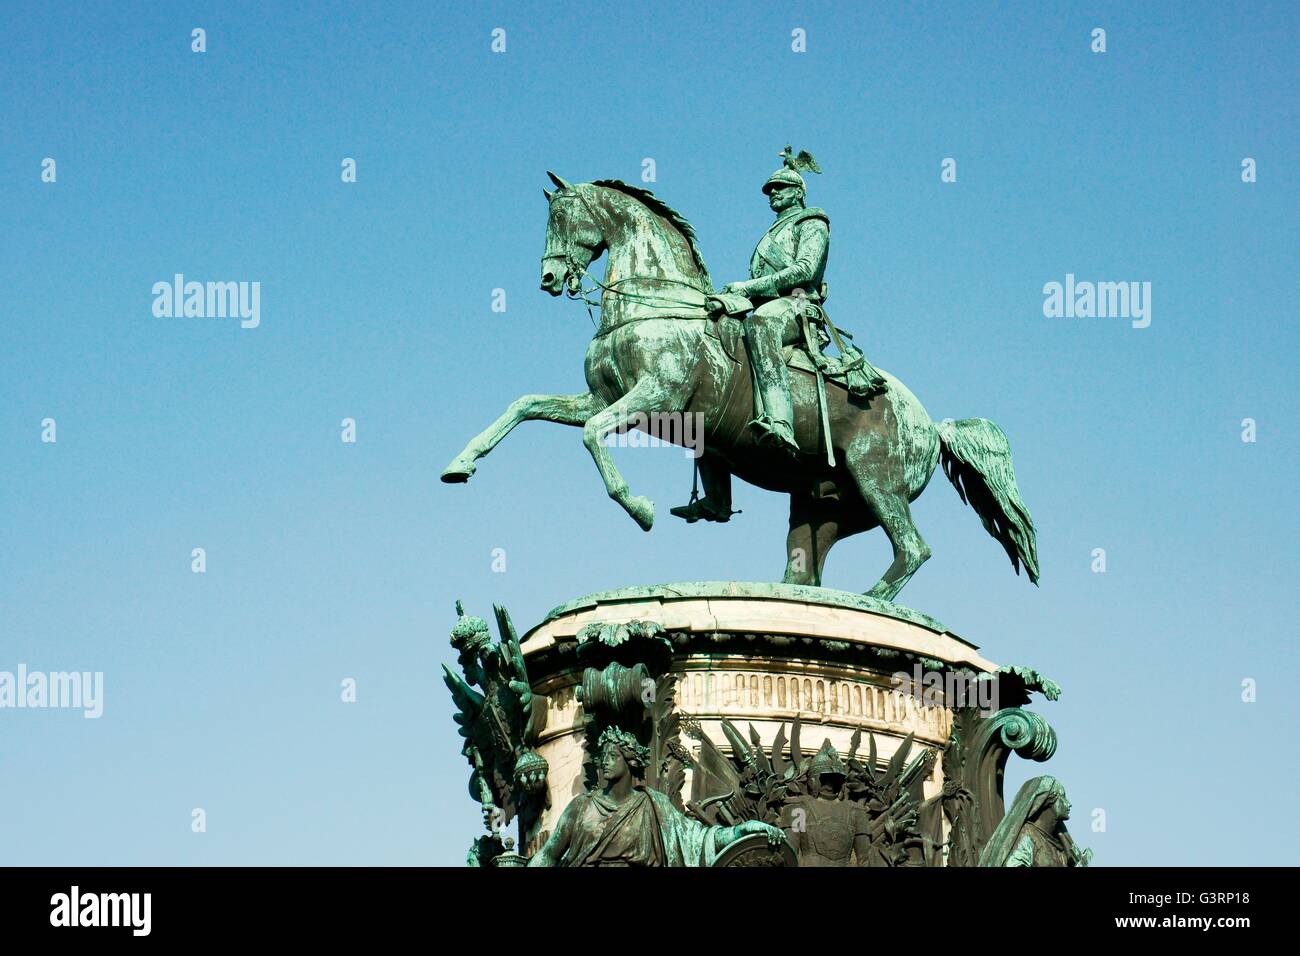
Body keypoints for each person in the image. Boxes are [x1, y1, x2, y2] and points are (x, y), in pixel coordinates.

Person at [528, 726, 786, 866]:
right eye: (603, 755)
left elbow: (701, 838)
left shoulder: (653, 805)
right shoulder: (581, 807)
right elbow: (549, 853)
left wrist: (744, 829)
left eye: (612, 755)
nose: (604, 762)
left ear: (630, 761)